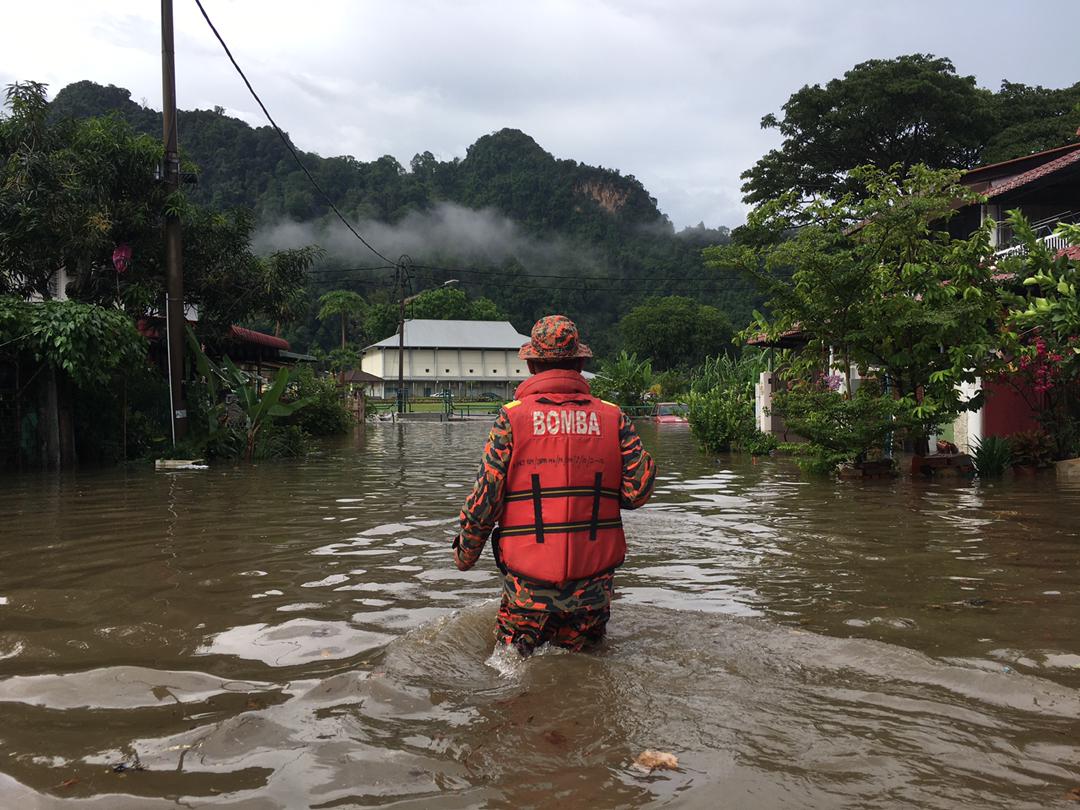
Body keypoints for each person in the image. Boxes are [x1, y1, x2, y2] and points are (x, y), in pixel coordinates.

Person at [452, 315, 657, 656]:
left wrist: (465, 554)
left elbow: (486, 499)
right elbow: (638, 491)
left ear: (532, 365)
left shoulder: (511, 418)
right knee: (589, 675)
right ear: (579, 363)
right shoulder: (613, 416)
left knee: (512, 677)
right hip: (593, 591)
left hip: (528, 590)